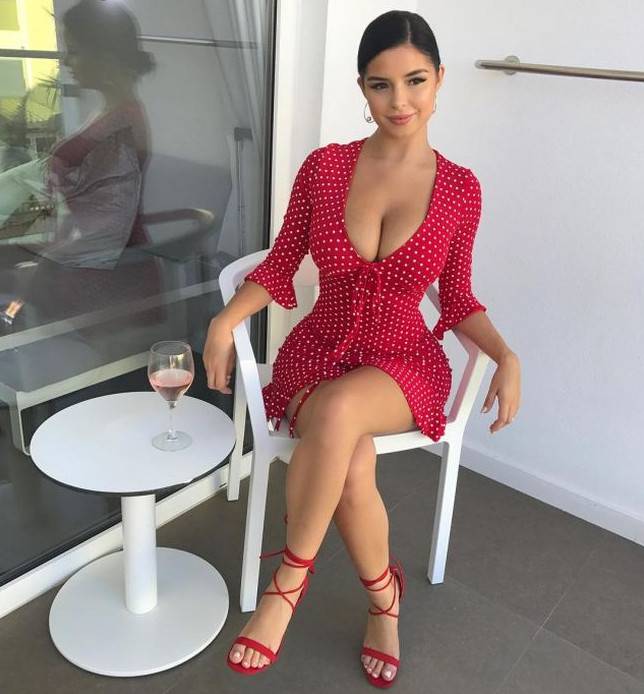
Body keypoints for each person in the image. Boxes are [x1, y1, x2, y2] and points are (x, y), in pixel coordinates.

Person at [203, 10, 522, 688]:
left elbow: (458, 298)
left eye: (414, 81)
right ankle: (384, 601)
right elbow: (281, 264)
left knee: (342, 410)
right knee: (350, 463)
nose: (399, 101)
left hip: (404, 363)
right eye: (381, 85)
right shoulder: (325, 169)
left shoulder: (460, 188)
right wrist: (224, 321)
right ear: (362, 88)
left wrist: (506, 354)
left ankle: (286, 585)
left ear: (439, 80)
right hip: (317, 350)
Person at [0, 0, 158, 326]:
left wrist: (43, 264)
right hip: (90, 252)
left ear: (105, 57)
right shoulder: (113, 112)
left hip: (106, 273)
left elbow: (107, 223)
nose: (66, 60)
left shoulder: (121, 127)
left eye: (74, 51)